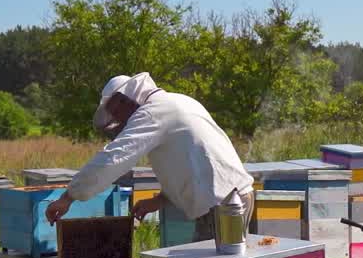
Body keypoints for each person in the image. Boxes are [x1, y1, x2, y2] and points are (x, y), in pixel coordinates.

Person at [44, 73, 253, 242]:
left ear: (127, 100)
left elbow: (113, 158)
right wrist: (160, 200)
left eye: (117, 112)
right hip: (230, 197)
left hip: (225, 205)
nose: (118, 120)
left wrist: (69, 196)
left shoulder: (153, 113)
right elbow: (192, 162)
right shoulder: (179, 101)